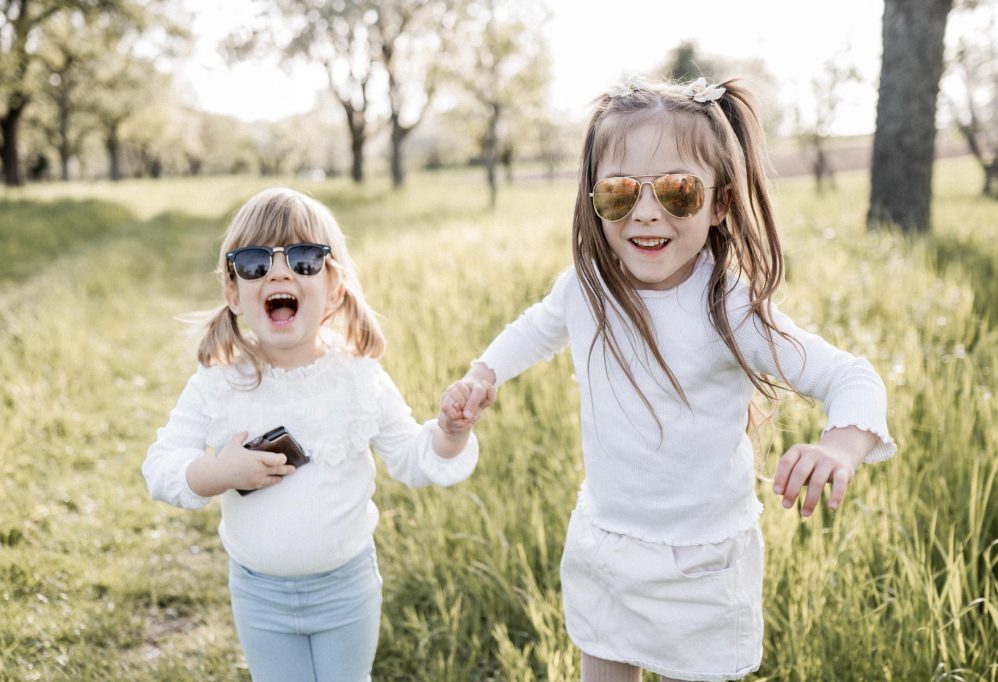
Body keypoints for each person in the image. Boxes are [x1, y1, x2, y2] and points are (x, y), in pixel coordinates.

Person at [443, 77, 896, 682]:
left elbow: (851, 375)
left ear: (720, 203)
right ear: (592, 196)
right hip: (608, 546)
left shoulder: (729, 309)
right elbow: (536, 327)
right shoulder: (587, 289)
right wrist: (484, 373)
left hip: (702, 564)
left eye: (679, 192)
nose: (647, 212)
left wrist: (840, 445)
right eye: (619, 192)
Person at [143, 187, 478, 681]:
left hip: (346, 588)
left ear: (335, 286)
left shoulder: (358, 378)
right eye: (256, 263)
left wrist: (449, 433)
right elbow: (160, 465)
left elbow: (412, 456)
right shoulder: (219, 383)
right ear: (234, 291)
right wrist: (217, 473)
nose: (280, 272)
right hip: (259, 593)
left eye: (303, 258)